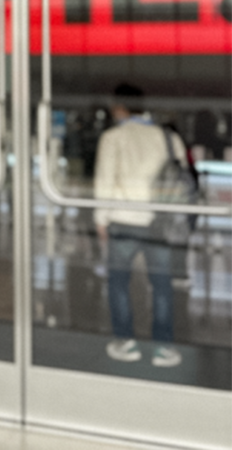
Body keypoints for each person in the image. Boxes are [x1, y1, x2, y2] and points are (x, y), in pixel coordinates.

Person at [94, 83, 185, 368]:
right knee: (161, 285)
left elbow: (105, 180)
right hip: (159, 222)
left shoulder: (113, 137)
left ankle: (125, 342)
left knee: (119, 282)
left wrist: (100, 219)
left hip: (123, 220)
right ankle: (163, 348)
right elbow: (181, 180)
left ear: (119, 107)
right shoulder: (167, 138)